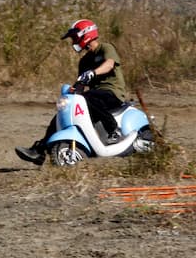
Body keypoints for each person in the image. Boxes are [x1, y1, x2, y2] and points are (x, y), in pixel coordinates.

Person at [15, 18, 127, 164]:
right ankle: (39, 150)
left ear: (85, 33)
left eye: (75, 37)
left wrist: (93, 72)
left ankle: (113, 129)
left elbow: (109, 65)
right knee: (63, 112)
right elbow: (81, 84)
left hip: (112, 92)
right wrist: (71, 94)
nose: (73, 41)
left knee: (86, 99)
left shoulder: (105, 48)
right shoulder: (84, 61)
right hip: (95, 96)